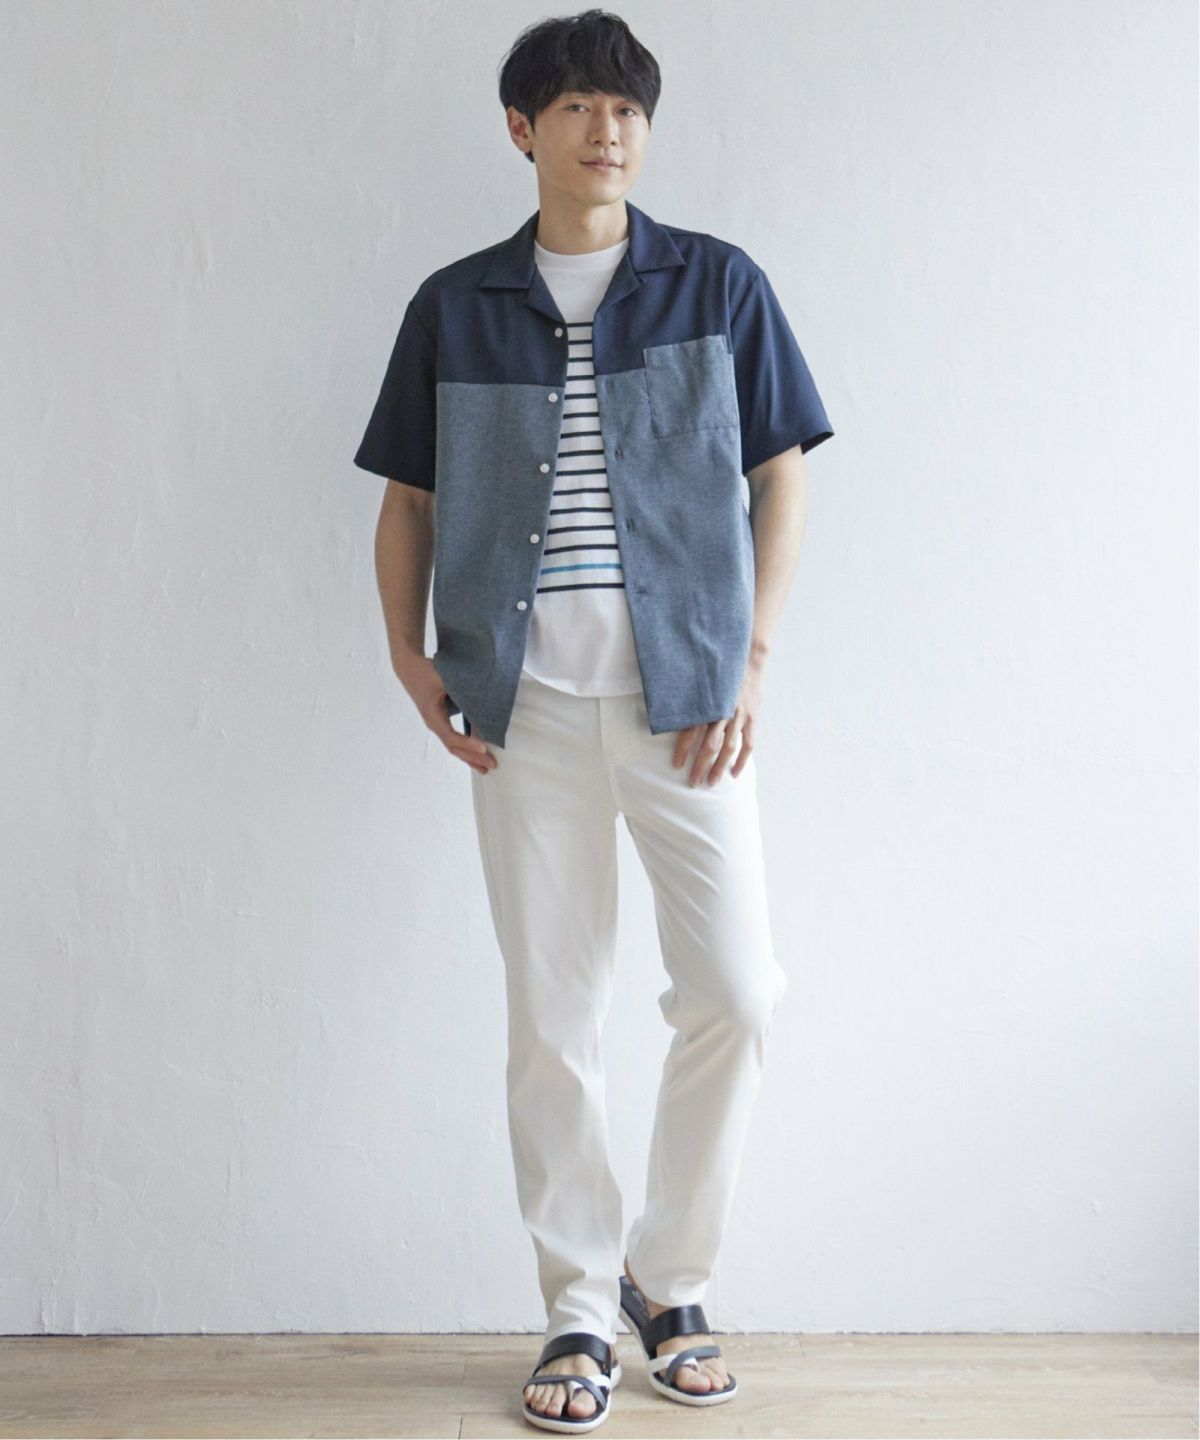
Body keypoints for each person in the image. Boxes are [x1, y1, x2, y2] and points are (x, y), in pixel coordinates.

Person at [353, 9, 834, 1431]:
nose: (605, 130)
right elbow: (409, 500)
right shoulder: (456, 307)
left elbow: (783, 473)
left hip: (689, 702)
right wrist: (406, 655)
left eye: (625, 109)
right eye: (575, 107)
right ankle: (575, 1309)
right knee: (554, 1017)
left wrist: (752, 660)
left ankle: (666, 1279)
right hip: (522, 707)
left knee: (738, 993)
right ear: (524, 130)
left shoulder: (717, 286)